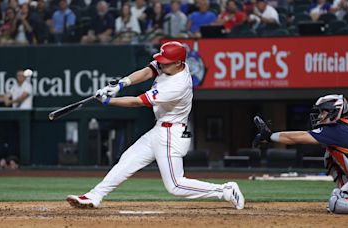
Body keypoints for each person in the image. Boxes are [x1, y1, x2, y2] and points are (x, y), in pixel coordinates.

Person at [67, 41, 245, 210]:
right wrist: (122, 84)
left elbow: (137, 102)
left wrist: (108, 100)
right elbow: (147, 71)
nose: (162, 65)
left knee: (175, 185)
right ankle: (94, 195)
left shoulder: (177, 84)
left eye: (166, 63)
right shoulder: (172, 65)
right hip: (160, 129)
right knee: (128, 159)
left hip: (171, 134)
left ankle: (225, 190)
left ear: (179, 63)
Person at [253, 94, 348, 214]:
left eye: (323, 112)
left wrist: (270, 136)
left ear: (334, 112)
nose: (320, 116)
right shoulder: (345, 128)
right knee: (330, 156)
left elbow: (298, 138)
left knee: (339, 201)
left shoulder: (338, 130)